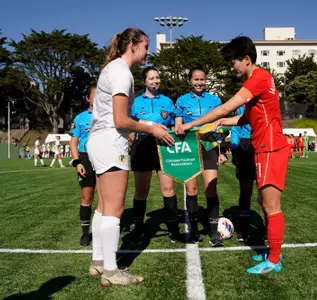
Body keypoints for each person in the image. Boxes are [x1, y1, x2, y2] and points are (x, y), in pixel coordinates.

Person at [178, 36, 289, 274]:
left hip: (270, 149)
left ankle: (274, 259)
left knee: (271, 206)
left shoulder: (258, 78)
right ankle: (272, 252)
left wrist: (191, 125)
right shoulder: (257, 80)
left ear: (246, 60)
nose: (232, 67)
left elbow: (225, 107)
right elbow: (243, 118)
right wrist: (219, 122)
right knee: (263, 202)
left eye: (233, 62)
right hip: (263, 149)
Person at [86, 28, 174, 286]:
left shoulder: (113, 69)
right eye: (146, 46)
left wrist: (147, 123)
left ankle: (99, 262)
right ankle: (112, 272)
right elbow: (120, 119)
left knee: (103, 206)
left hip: (100, 141)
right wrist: (152, 127)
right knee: (115, 208)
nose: (149, 51)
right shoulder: (122, 73)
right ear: (133, 45)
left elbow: (123, 117)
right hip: (110, 143)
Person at [174, 66, 228, 247]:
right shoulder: (181, 101)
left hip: (209, 147)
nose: (199, 83)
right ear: (190, 80)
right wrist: (180, 128)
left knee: (210, 188)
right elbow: (179, 127)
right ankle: (194, 231)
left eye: (202, 79)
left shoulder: (214, 99)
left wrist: (222, 151)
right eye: (196, 79)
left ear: (206, 80)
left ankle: (215, 233)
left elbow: (220, 127)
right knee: (191, 191)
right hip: (189, 147)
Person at [129, 67, 180, 244]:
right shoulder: (135, 102)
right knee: (141, 192)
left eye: (157, 78)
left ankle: (174, 229)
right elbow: (129, 124)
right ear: (144, 81)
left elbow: (174, 125)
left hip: (163, 146)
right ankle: (138, 229)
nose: (155, 81)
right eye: (151, 78)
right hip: (142, 146)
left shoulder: (167, 101)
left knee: (169, 189)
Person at [69, 84, 99, 246]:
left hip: (104, 158)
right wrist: (77, 162)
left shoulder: (109, 115)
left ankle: (103, 232)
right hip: (86, 158)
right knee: (87, 197)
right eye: (95, 95)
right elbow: (73, 142)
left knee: (106, 198)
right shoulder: (80, 118)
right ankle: (86, 234)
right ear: (88, 98)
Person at [230, 105, 256, 243]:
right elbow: (235, 128)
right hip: (245, 146)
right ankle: (244, 230)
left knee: (266, 192)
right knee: (246, 192)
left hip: (263, 144)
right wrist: (235, 149)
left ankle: (266, 229)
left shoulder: (267, 102)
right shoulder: (241, 106)